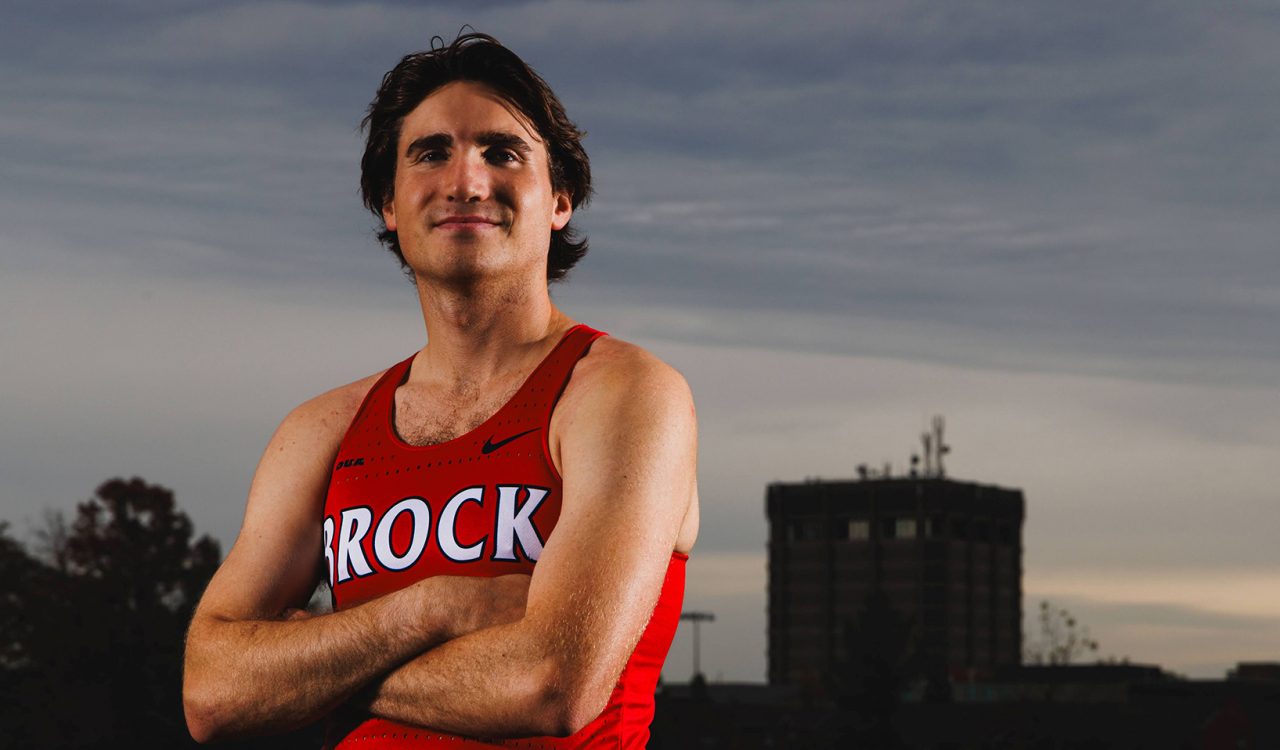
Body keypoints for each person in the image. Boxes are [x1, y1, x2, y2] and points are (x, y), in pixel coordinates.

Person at [182, 32, 699, 748]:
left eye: (502, 152)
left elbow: (551, 684)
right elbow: (212, 692)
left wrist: (311, 666)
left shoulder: (623, 394)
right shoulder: (323, 427)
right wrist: (427, 611)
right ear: (389, 203)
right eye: (430, 153)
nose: (466, 181)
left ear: (560, 200)